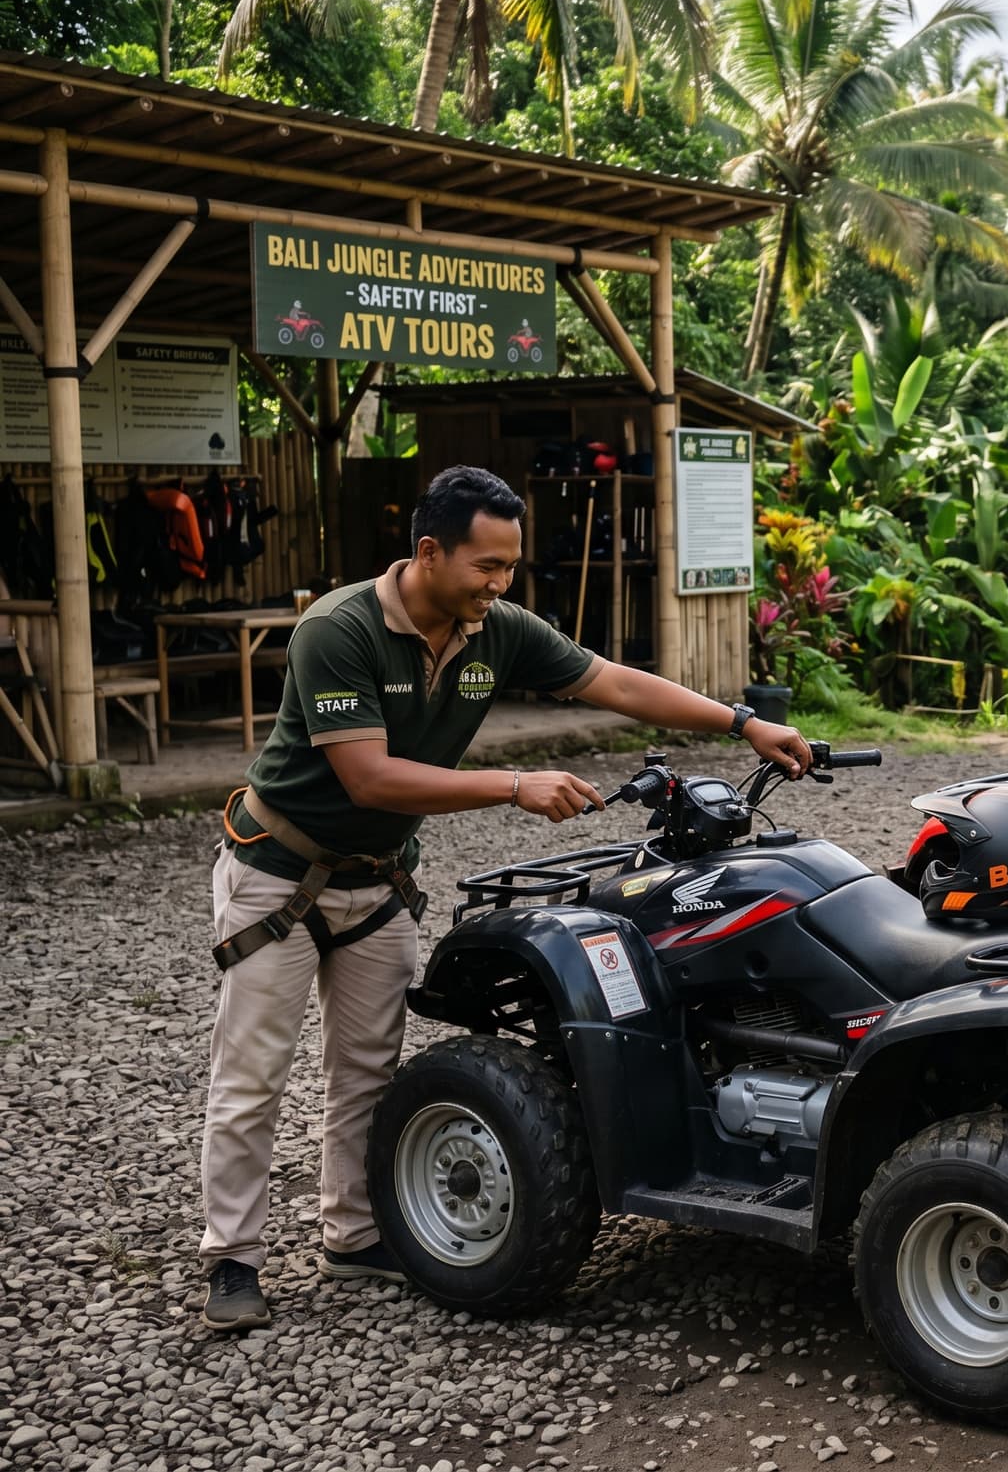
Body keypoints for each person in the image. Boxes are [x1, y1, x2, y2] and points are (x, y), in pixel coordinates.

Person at [199, 465, 810, 1331]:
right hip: (279, 877)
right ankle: (231, 1258)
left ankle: (353, 1232)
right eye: (486, 566)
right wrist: (512, 784)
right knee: (252, 1076)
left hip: (376, 881)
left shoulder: (494, 627)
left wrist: (744, 722)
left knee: (368, 1070)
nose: (501, 583)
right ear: (428, 552)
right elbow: (367, 776)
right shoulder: (337, 630)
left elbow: (616, 682)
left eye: (510, 567)